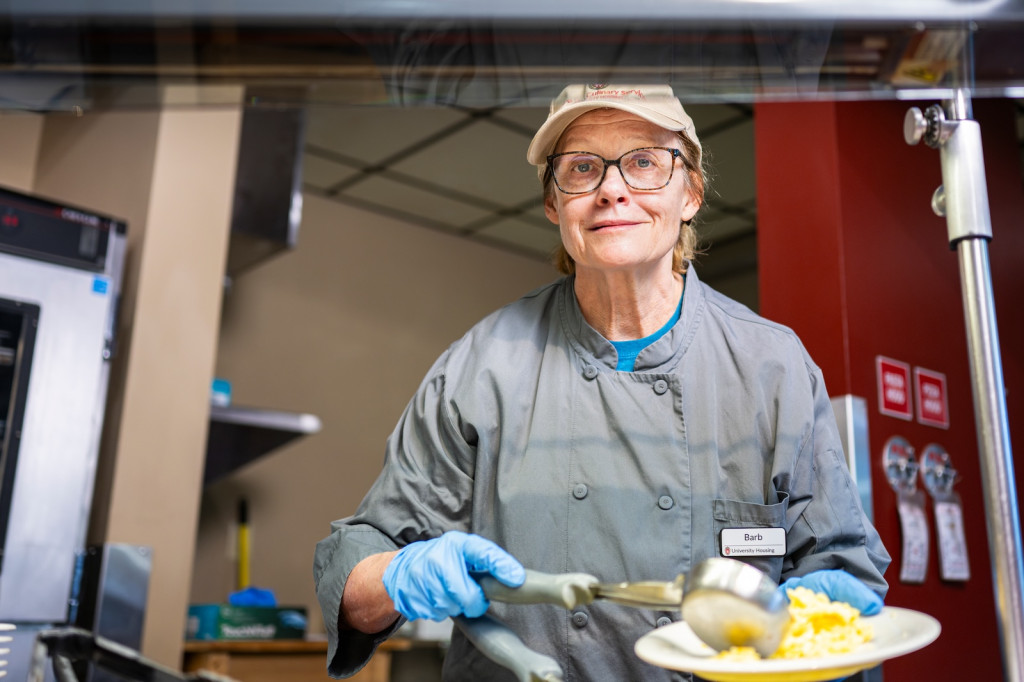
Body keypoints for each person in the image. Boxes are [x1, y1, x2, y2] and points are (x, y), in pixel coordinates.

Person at [314, 83, 890, 681]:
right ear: (553, 204)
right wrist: (401, 577)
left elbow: (844, 564)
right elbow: (353, 569)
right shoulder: (481, 366)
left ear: (690, 193)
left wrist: (814, 612)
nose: (612, 188)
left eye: (643, 162)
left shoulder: (773, 366)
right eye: (583, 168)